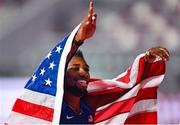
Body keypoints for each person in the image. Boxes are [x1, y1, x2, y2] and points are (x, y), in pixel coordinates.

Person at [60, 0, 170, 124]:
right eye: (75, 68)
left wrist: (146, 62)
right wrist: (77, 40)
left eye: (86, 69)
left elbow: (123, 86)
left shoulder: (87, 112)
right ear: (60, 76)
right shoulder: (53, 109)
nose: (84, 73)